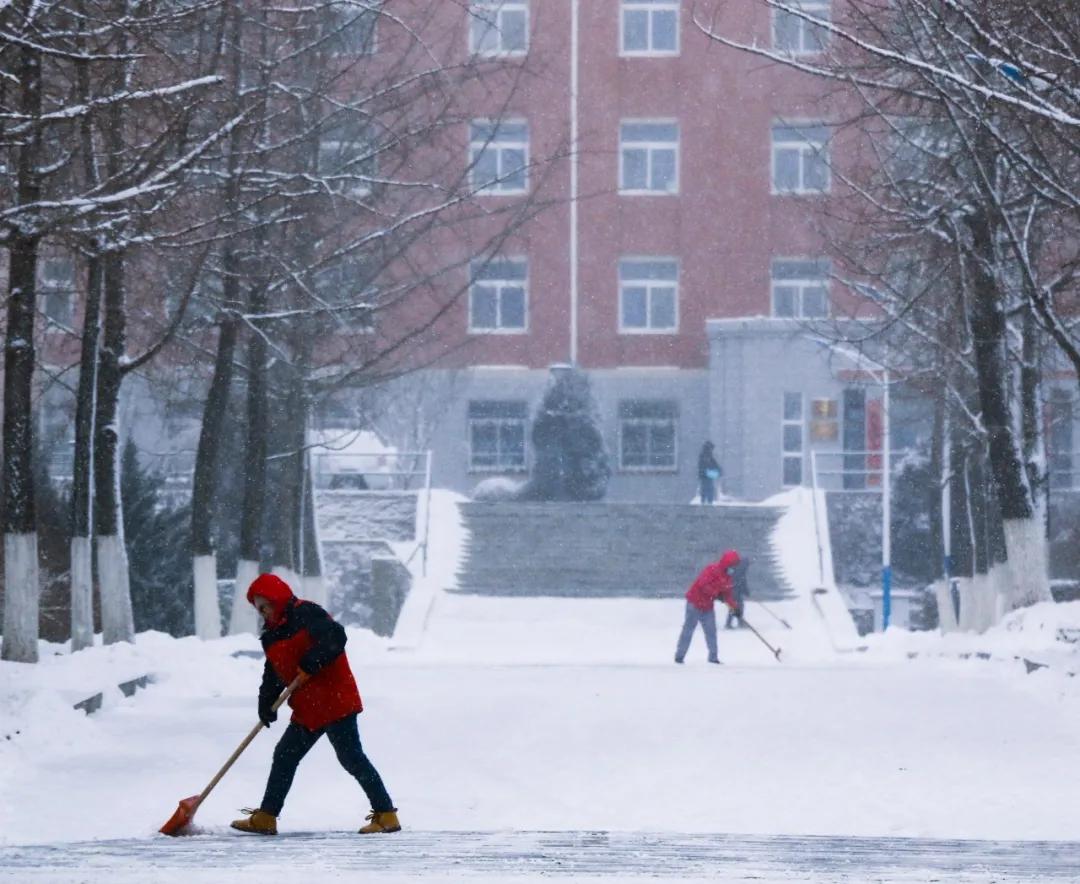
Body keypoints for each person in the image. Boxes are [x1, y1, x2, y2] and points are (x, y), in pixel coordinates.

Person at [230, 573, 400, 836]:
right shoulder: (271, 636)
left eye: (266, 605)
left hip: (334, 700)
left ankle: (386, 814)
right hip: (308, 708)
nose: (264, 613)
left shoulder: (307, 614)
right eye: (259, 609)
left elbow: (335, 638)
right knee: (285, 755)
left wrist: (312, 661)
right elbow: (273, 673)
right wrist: (265, 703)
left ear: (278, 597)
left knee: (351, 757)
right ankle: (266, 817)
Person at [675, 549, 740, 664]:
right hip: (694, 603)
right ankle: (679, 656)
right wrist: (716, 594)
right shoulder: (711, 570)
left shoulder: (727, 578)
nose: (733, 569)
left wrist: (734, 608)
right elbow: (703, 585)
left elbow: (727, 595)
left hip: (707, 607)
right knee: (688, 630)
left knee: (711, 632)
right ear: (727, 564)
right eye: (732, 566)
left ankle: (713, 658)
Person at [726, 555, 752, 629]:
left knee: (736, 606)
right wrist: (746, 591)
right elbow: (742, 582)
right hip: (734, 591)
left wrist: (745, 591)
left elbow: (742, 582)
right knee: (737, 606)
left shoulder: (738, 568)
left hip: (733, 590)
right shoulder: (741, 569)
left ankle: (733, 623)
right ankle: (735, 623)